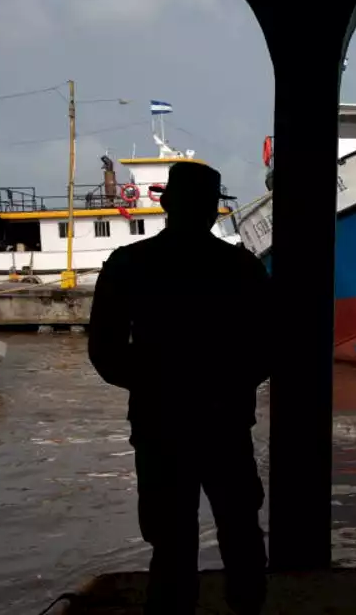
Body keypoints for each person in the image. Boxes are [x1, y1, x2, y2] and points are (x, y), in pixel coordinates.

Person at [88, 162, 268, 615]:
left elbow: (104, 352)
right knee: (241, 532)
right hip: (226, 421)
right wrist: (228, 383)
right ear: (214, 210)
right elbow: (271, 345)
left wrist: (153, 382)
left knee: (170, 542)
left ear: (166, 204)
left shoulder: (128, 264)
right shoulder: (241, 268)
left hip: (158, 424)